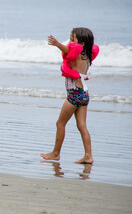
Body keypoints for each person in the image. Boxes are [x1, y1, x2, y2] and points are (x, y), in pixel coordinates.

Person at [40, 27, 99, 164]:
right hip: (84, 94)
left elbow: (68, 51)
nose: (70, 43)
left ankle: (55, 153)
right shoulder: (87, 55)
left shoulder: (77, 54)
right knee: (82, 125)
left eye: (73, 40)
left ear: (82, 43)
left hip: (74, 94)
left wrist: (57, 44)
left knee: (60, 123)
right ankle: (88, 155)